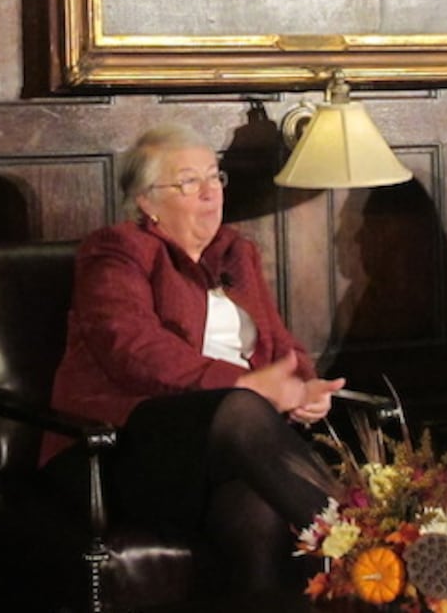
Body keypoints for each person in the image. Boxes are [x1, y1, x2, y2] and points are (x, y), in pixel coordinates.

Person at [42, 123, 346, 591]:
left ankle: (361, 555)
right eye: (189, 182)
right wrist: (245, 384)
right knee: (242, 407)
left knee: (256, 508)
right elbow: (134, 349)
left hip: (227, 453)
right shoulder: (117, 251)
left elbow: (281, 348)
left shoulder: (235, 253)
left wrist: (304, 387)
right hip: (119, 450)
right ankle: (366, 545)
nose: (210, 192)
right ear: (147, 201)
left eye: (214, 177)